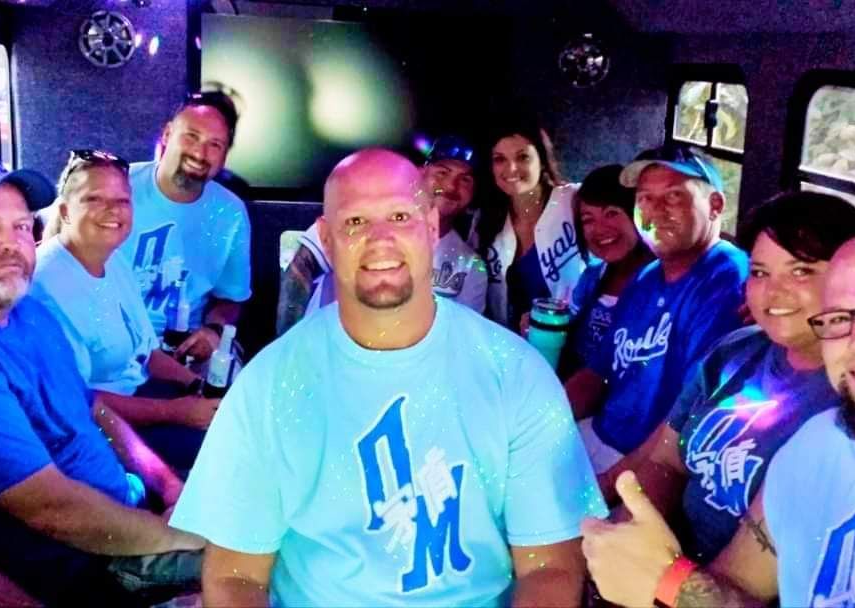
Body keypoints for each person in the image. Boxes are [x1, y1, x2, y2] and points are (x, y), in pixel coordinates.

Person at [171, 149, 607, 607]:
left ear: (432, 227)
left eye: (400, 216)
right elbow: (235, 574)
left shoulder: (516, 374)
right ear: (326, 238)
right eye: (356, 222)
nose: (380, 239)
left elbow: (551, 567)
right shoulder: (268, 384)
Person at [0, 153, 203, 604]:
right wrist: (175, 535)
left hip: (132, 504)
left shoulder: (25, 309)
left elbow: (92, 409)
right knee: (276, 557)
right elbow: (53, 510)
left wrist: (165, 482)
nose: (11, 244)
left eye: (21, 227)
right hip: (100, 558)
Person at [581, 230, 855, 608]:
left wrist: (671, 586)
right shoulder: (817, 445)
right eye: (840, 319)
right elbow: (736, 583)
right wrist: (644, 567)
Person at [565, 144, 749, 472]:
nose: (655, 210)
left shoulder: (725, 281)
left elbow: (684, 424)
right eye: (644, 199)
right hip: (602, 432)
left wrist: (606, 489)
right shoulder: (646, 276)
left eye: (674, 197)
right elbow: (596, 373)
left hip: (650, 462)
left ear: (715, 205)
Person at [32, 150, 219, 471]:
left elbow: (147, 353)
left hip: (142, 396)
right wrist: (177, 411)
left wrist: (196, 387)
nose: (112, 211)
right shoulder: (46, 286)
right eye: (94, 199)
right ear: (64, 211)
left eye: (122, 201)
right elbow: (81, 402)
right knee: (224, 455)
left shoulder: (114, 260)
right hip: (97, 430)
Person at [276, 135, 489, 334]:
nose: (451, 186)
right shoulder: (361, 213)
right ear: (420, 173)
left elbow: (463, 335)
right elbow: (301, 267)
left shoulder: (470, 266)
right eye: (442, 172)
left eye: (465, 179)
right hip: (327, 352)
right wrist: (289, 345)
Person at [118, 91, 251, 362]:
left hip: (182, 348)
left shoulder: (231, 213)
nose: (200, 153)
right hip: (109, 340)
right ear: (167, 135)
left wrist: (213, 331)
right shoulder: (116, 186)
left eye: (215, 144)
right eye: (191, 136)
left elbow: (231, 297)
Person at [476, 121, 584, 331]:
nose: (511, 168)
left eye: (522, 157)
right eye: (500, 159)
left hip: (571, 344)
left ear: (542, 161)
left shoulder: (573, 200)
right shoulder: (484, 219)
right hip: (508, 348)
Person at [558, 164, 653, 375]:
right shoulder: (592, 276)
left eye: (611, 213)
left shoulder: (662, 283)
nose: (599, 229)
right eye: (588, 219)